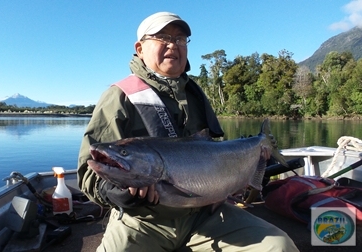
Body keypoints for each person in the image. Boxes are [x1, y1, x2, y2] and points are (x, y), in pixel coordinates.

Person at [77, 11, 299, 252]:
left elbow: (213, 153)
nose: (173, 44)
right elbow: (88, 170)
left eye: (180, 39)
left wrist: (244, 169)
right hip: (144, 222)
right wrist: (112, 192)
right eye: (162, 37)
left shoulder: (195, 95)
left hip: (206, 215)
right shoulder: (118, 97)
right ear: (140, 48)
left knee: (279, 246)